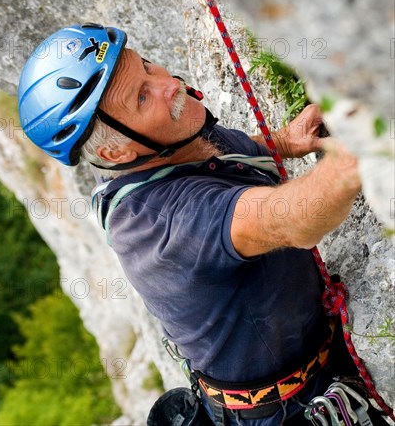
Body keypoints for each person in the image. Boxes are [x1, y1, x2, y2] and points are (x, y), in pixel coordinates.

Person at [18, 23, 369, 425]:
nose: (167, 83)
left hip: (309, 359)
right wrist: (367, 137)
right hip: (285, 410)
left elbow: (220, 162)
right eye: (142, 95)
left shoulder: (167, 141)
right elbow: (294, 219)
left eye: (147, 67)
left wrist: (284, 142)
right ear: (115, 151)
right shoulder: (163, 225)